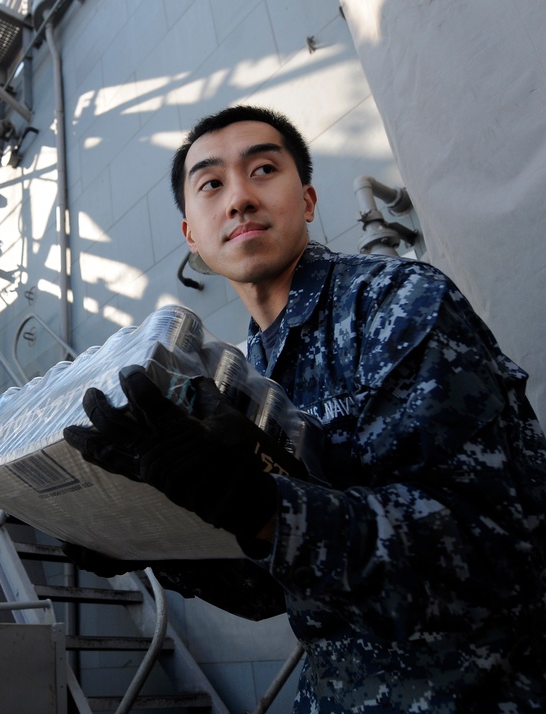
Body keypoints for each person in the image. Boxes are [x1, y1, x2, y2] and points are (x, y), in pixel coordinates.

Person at [63, 106, 546, 710]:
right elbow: (272, 593)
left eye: (263, 169)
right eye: (211, 184)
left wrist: (264, 506)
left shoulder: (398, 305)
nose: (238, 198)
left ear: (309, 200)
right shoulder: (241, 375)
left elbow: (497, 552)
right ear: (192, 234)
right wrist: (143, 544)